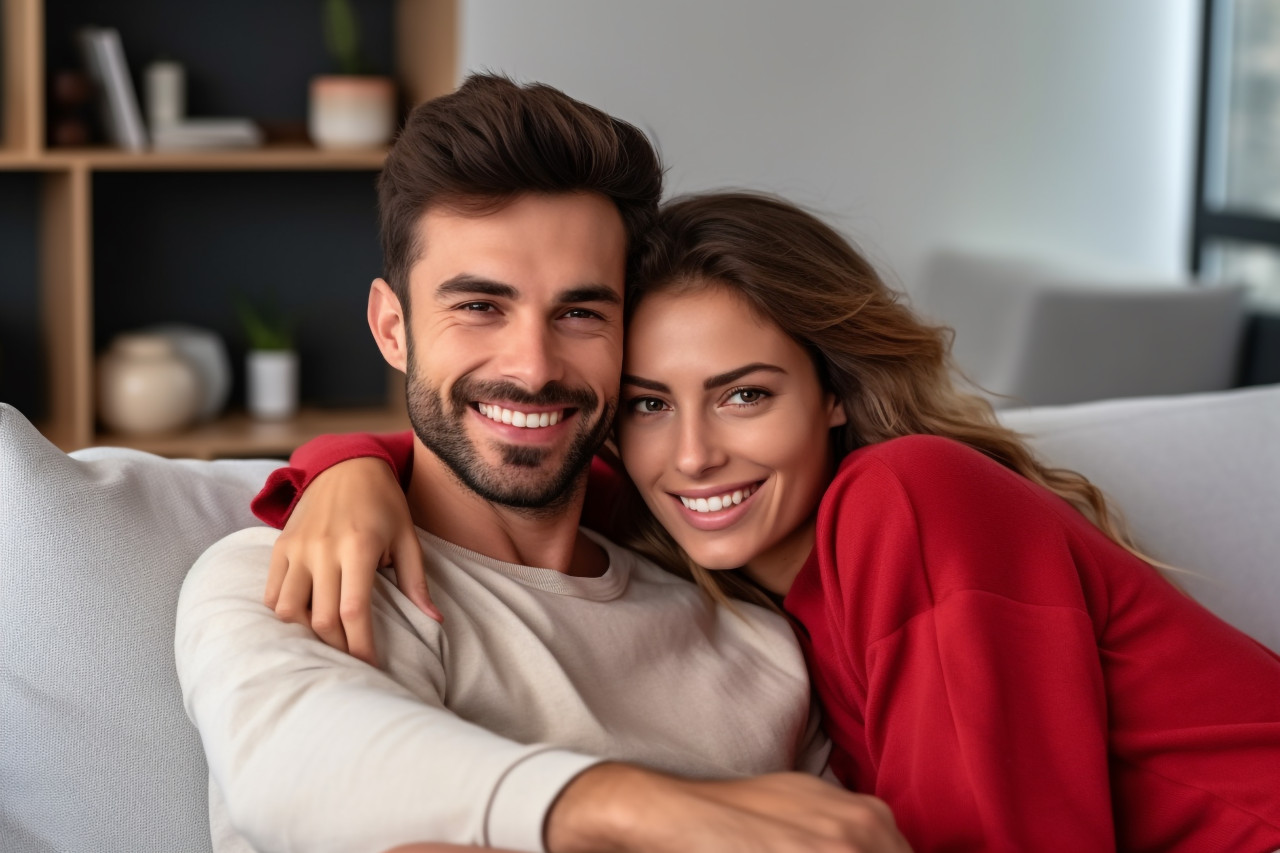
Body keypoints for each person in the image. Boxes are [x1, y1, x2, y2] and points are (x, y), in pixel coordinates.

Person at [262, 192, 1280, 852]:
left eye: (745, 395)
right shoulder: (712, 544)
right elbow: (504, 469)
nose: (695, 452)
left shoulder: (911, 498)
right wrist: (349, 468)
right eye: (650, 403)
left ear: (831, 393)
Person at [176, 75, 910, 853]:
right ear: (393, 328)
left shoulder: (756, 641)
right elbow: (296, 769)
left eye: (579, 312)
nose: (533, 367)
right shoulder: (296, 572)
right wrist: (634, 805)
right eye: (480, 306)